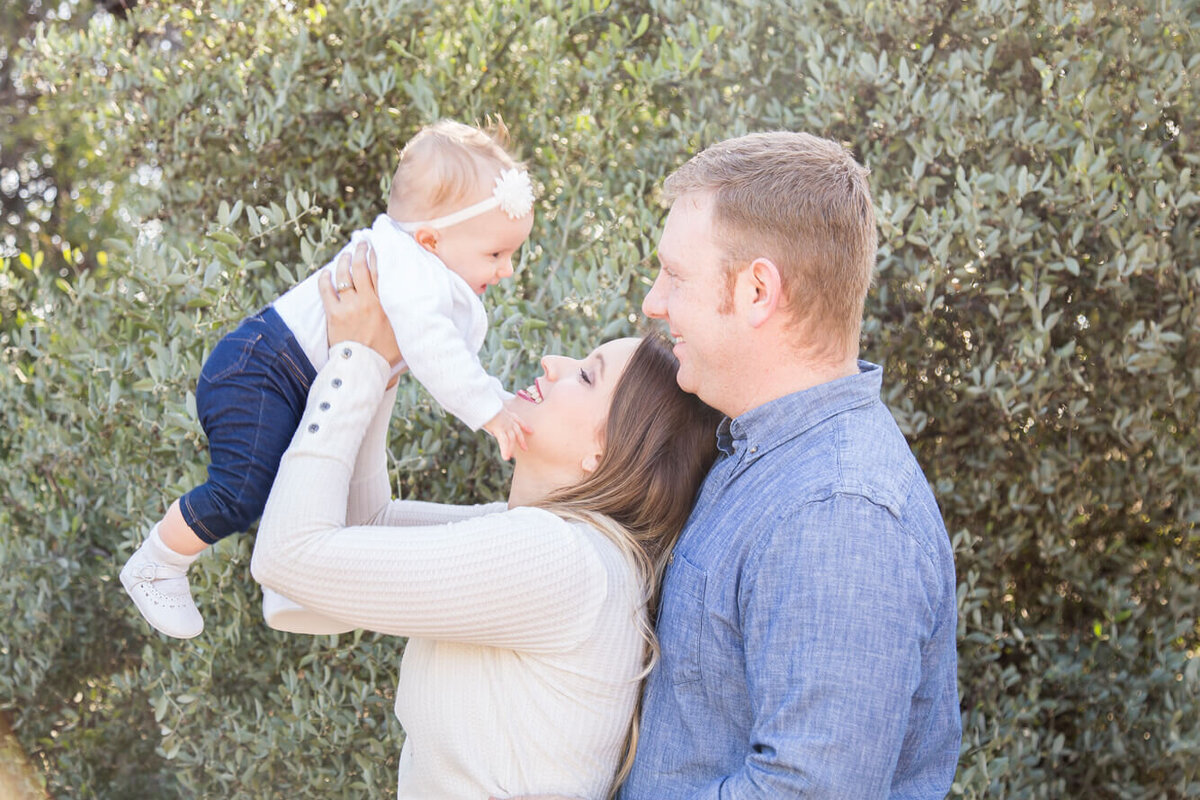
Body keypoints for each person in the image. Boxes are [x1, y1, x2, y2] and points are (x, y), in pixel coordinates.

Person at [250, 243, 724, 798]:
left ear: (606, 454)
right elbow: (363, 524)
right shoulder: (557, 543)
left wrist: (354, 359)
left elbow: (288, 557)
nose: (553, 363)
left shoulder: (557, 559)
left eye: (586, 377)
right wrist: (386, 362)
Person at [617, 132, 962, 797]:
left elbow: (805, 792)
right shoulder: (758, 456)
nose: (654, 303)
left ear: (756, 290)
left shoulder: (838, 512)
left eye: (676, 275)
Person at [120, 119, 536, 639]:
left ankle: (292, 588)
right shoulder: (410, 267)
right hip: (262, 369)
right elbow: (437, 354)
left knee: (301, 482)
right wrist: (490, 411)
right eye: (496, 254)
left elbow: (450, 358)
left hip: (288, 374)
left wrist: (500, 402)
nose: (507, 270)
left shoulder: (422, 266)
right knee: (242, 491)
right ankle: (156, 563)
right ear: (431, 238)